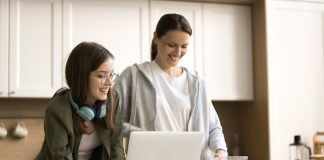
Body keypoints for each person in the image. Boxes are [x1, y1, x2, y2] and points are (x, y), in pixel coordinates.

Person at [112, 13, 227, 159]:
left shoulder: (197, 83)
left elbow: (214, 127)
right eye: (171, 45)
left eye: (184, 46)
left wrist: (221, 151)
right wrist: (142, 135)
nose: (178, 53)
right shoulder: (134, 76)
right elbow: (110, 119)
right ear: (156, 38)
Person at [36, 42, 125, 160]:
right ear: (81, 76)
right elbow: (59, 157)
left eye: (111, 75)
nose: (109, 83)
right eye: (102, 76)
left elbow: (116, 149)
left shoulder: (112, 99)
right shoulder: (57, 110)